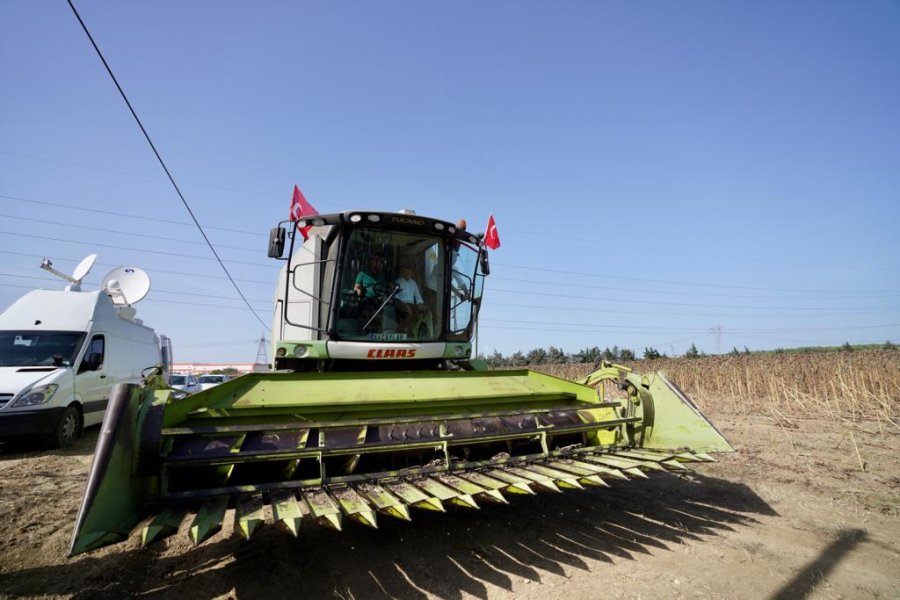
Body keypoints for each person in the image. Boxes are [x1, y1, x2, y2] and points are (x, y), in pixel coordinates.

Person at [354, 253, 389, 332]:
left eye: (380, 261)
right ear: (371, 262)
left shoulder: (384, 275)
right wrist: (359, 290)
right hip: (367, 299)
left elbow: (389, 286)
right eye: (376, 260)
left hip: (382, 300)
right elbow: (356, 287)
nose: (378, 262)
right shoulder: (363, 273)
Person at [393, 264, 425, 333]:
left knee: (424, 313)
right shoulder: (398, 282)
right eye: (406, 271)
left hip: (411, 304)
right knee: (409, 313)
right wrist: (405, 306)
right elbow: (395, 298)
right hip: (400, 303)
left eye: (410, 272)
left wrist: (420, 303)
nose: (408, 273)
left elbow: (417, 295)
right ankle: (401, 331)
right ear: (402, 272)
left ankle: (415, 332)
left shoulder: (413, 283)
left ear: (412, 273)